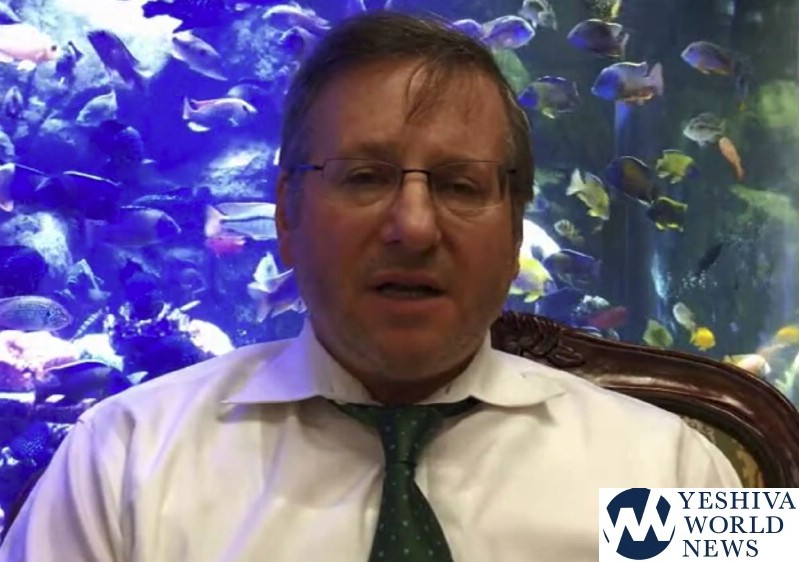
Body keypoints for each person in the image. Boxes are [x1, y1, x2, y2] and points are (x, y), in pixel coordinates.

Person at [0, 10, 739, 562]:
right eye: (364, 177)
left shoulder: (678, 471)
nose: (413, 226)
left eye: (460, 184)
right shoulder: (118, 462)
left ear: (515, 231)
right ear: (286, 213)